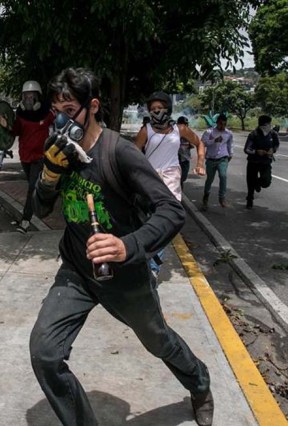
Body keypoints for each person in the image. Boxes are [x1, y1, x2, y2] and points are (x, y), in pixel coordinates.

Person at [29, 68, 212, 426]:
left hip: (126, 276)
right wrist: (49, 175)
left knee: (158, 342)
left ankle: (200, 383)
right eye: (56, 109)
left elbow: (171, 212)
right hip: (78, 273)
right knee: (45, 354)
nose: (61, 117)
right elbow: (38, 210)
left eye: (69, 108)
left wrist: (127, 246)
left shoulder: (121, 152)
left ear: (93, 106)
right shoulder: (60, 152)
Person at [134, 92, 205, 277]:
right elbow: (132, 155)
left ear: (168, 108)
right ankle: (145, 259)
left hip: (171, 181)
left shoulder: (180, 129)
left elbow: (199, 143)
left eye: (160, 108)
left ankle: (154, 267)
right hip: (150, 180)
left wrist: (200, 163)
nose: (157, 112)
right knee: (149, 222)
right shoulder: (146, 131)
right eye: (153, 109)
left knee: (165, 222)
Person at [0, 80, 55, 233]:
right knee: (34, 186)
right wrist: (5, 124)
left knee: (31, 187)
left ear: (38, 96)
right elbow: (15, 131)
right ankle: (43, 201)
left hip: (40, 157)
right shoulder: (20, 114)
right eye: (26, 95)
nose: (28, 98)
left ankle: (25, 220)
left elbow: (60, 124)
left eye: (31, 95)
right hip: (25, 157)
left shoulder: (47, 113)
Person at [244, 115, 280, 209]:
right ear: (261, 125)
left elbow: (276, 144)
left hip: (266, 162)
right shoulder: (254, 134)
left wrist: (273, 150)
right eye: (267, 124)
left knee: (266, 181)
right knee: (250, 182)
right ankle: (249, 199)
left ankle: (258, 183)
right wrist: (256, 151)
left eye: (269, 124)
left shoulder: (273, 134)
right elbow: (247, 149)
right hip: (253, 162)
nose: (269, 126)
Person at [200, 114, 233, 210]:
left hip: (223, 158)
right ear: (217, 123)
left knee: (223, 176)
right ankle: (205, 198)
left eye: (224, 124)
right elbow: (203, 143)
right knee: (209, 179)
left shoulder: (228, 133)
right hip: (211, 159)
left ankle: (222, 198)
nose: (222, 126)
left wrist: (230, 154)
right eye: (220, 124)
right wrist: (214, 140)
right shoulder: (209, 132)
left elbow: (230, 145)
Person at [176, 116, 194, 189]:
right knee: (177, 179)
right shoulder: (174, 133)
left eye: (186, 124)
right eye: (183, 124)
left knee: (183, 177)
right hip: (176, 159)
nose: (185, 126)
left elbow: (193, 144)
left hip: (185, 158)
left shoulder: (189, 133)